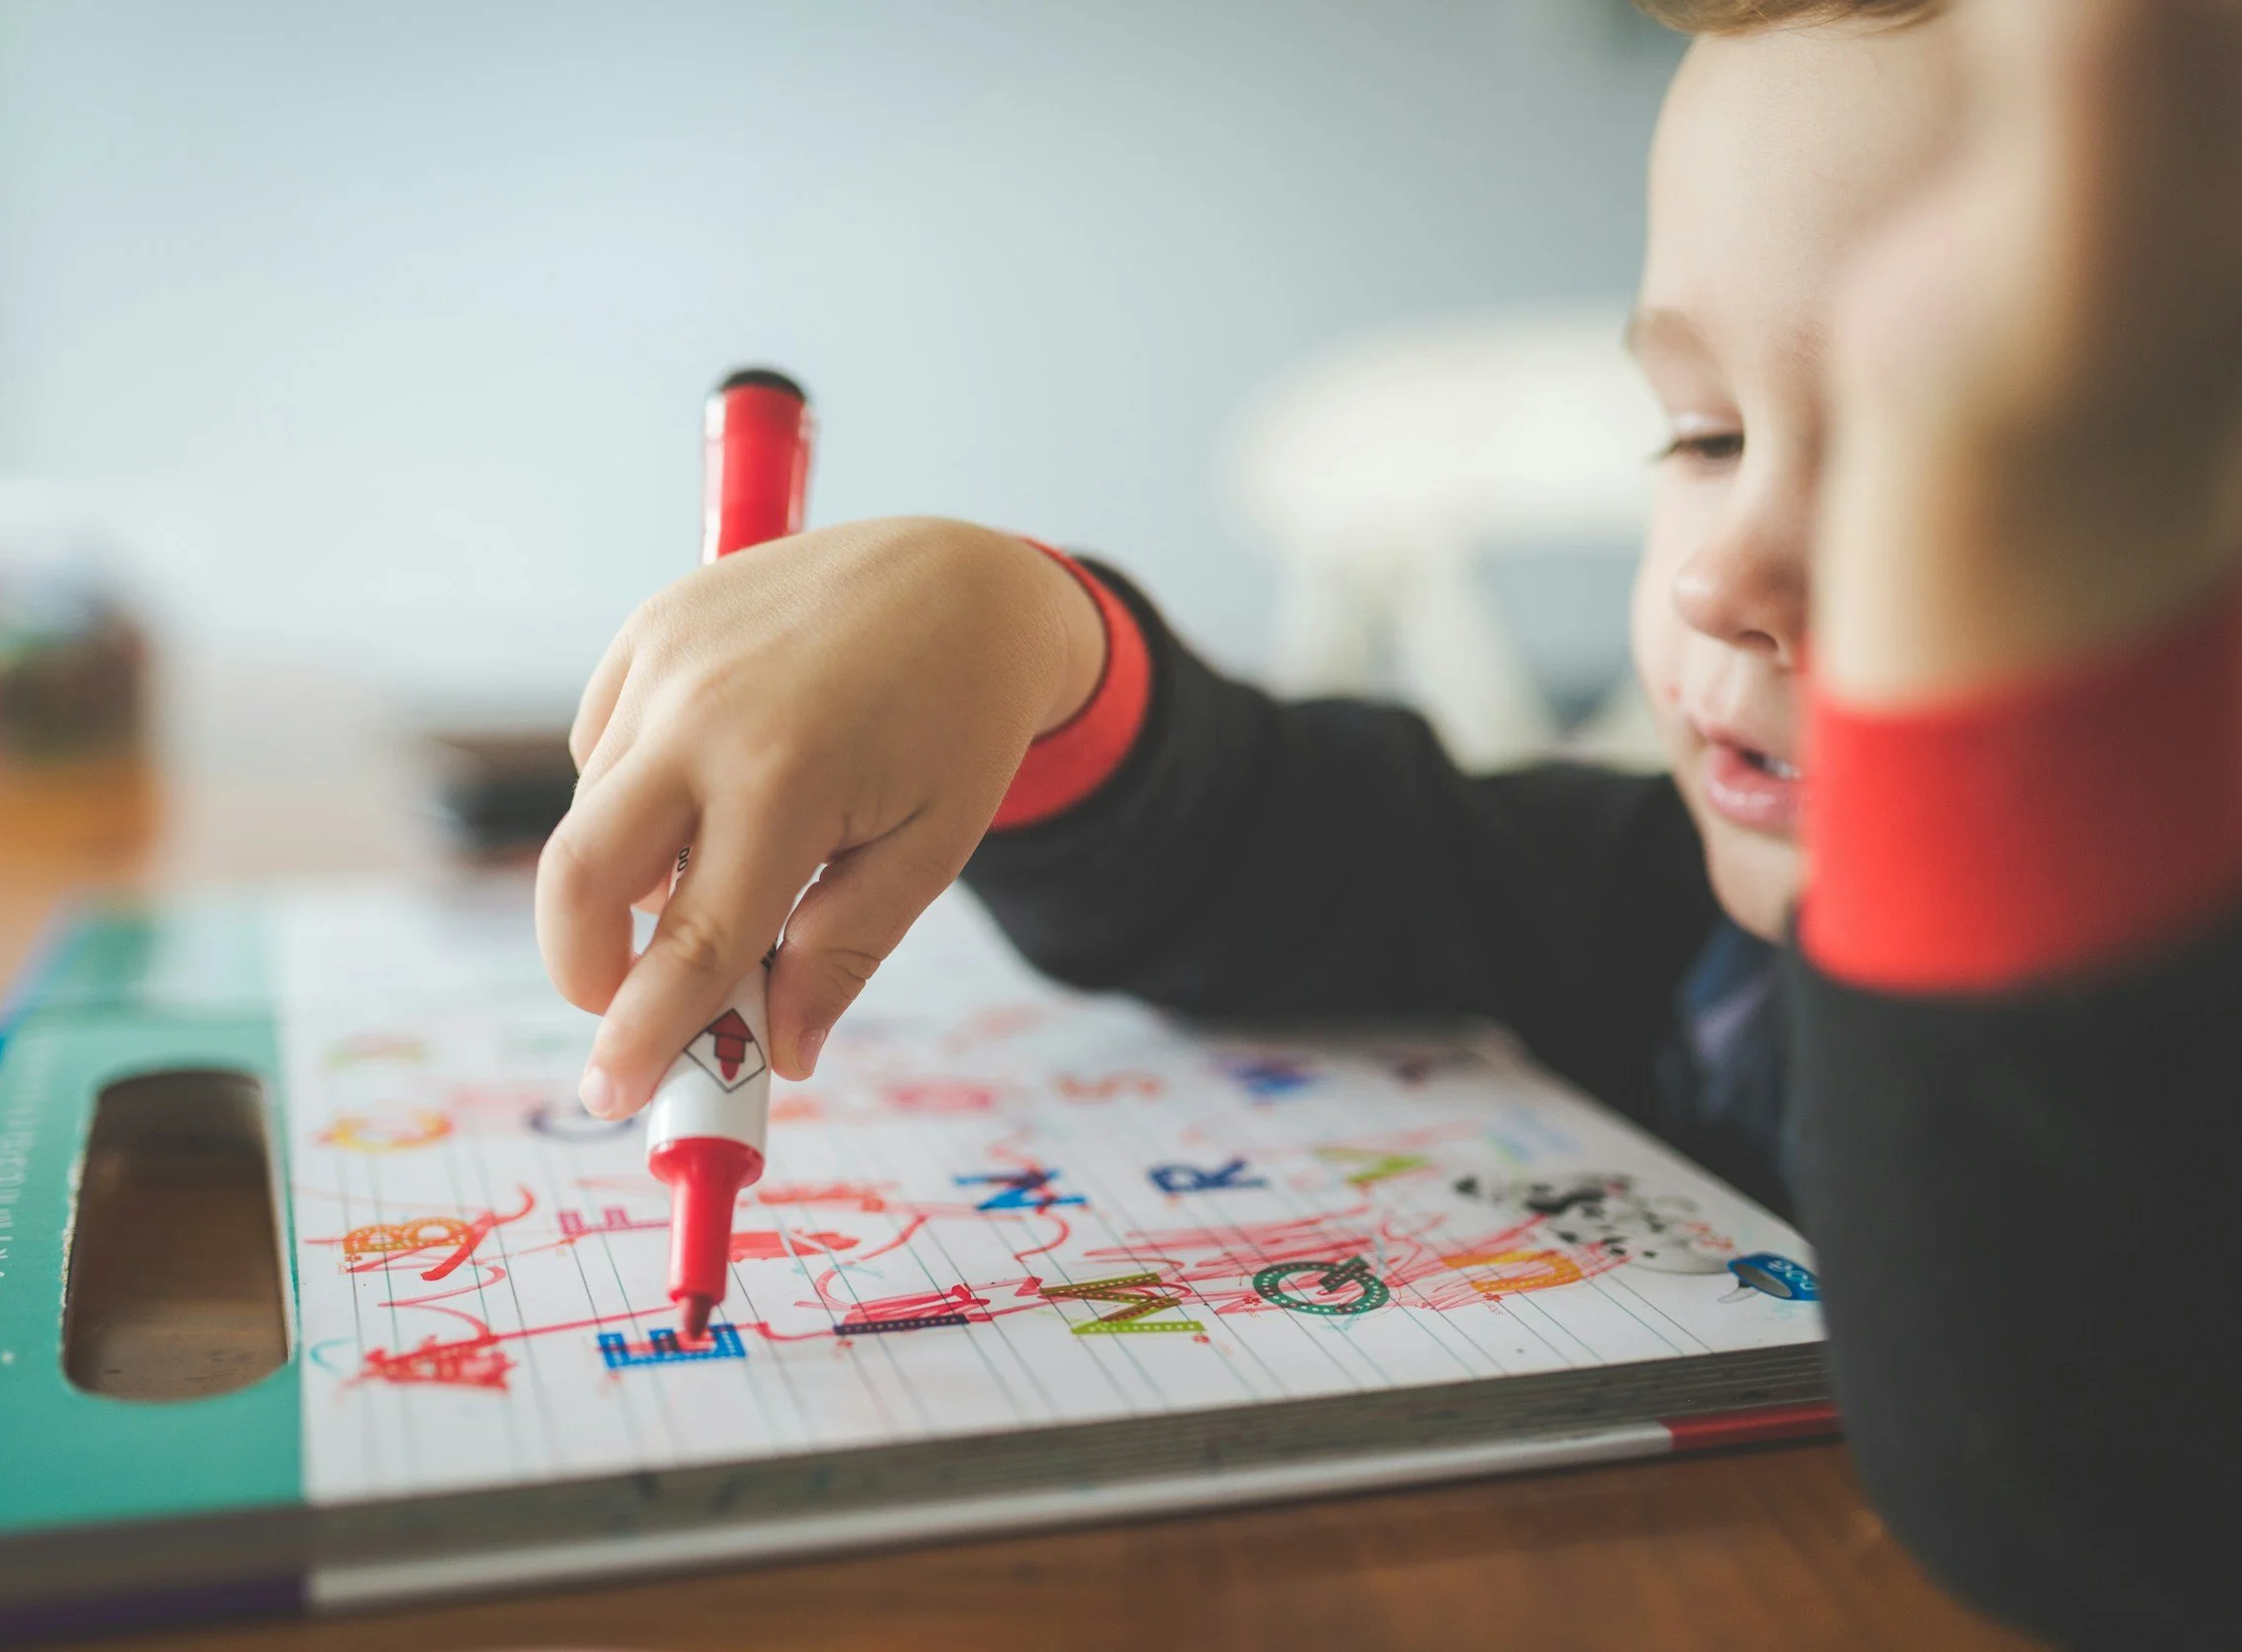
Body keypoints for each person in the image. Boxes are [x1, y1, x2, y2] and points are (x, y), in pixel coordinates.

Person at [535, 0, 2242, 1639]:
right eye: (1705, 435)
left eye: (1983, 466)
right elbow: (1306, 852)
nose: (1721, 574)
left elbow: (2096, 1494)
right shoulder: (1690, 934)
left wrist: (2012, 730)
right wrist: (1024, 636)